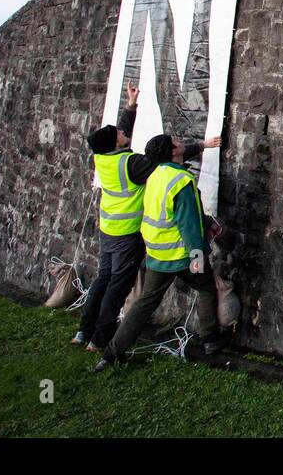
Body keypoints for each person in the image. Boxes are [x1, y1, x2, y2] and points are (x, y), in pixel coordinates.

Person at [73, 84, 220, 352]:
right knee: (119, 285)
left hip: (126, 239)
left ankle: (94, 338)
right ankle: (100, 338)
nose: (122, 132)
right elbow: (189, 223)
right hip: (134, 236)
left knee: (114, 286)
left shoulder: (106, 159)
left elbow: (123, 136)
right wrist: (201, 145)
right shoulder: (140, 168)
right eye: (119, 133)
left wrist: (131, 105)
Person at [93, 133, 229, 371]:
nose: (181, 144)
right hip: (181, 254)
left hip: (156, 253)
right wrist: (198, 257)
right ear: (172, 152)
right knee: (206, 288)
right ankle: (210, 342)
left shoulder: (154, 175)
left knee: (144, 304)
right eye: (176, 143)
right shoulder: (181, 181)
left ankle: (111, 353)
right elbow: (189, 225)